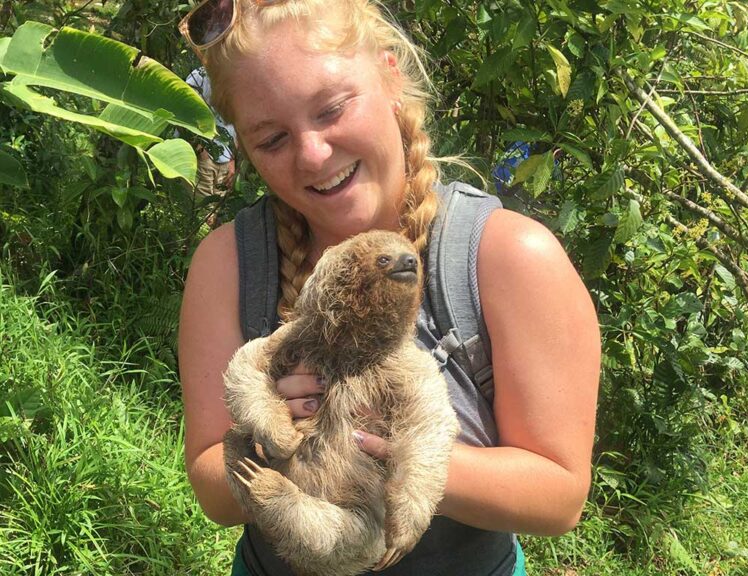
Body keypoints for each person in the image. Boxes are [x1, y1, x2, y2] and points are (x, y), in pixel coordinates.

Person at [177, 1, 601, 575]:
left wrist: (402, 457)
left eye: (331, 109)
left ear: (390, 75)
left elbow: (559, 495)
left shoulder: (506, 257)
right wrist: (276, 431)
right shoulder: (228, 263)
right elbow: (211, 485)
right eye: (272, 139)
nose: (313, 154)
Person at [185, 65, 237, 218]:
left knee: (218, 216)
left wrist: (232, 159)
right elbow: (184, 112)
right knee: (203, 216)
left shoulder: (237, 76)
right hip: (202, 156)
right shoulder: (199, 76)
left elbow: (237, 122)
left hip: (226, 157)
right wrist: (201, 151)